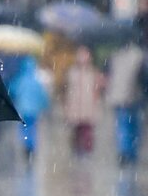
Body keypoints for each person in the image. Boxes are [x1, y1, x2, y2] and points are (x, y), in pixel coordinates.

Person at [106, 35, 144, 168]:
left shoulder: (115, 56)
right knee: (132, 126)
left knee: (123, 125)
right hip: (132, 96)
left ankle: (124, 151)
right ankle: (129, 153)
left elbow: (110, 75)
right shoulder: (139, 57)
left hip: (118, 97)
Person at [62, 46, 103, 155]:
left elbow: (97, 90)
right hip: (75, 106)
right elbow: (68, 90)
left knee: (87, 131)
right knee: (76, 130)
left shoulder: (93, 72)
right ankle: (78, 150)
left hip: (88, 106)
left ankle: (86, 150)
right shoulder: (72, 72)